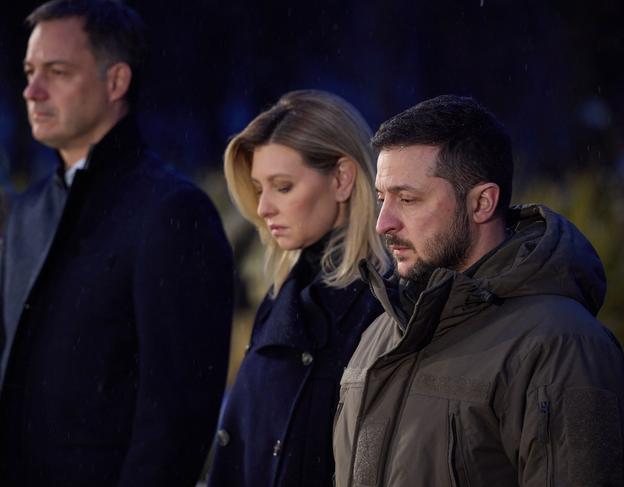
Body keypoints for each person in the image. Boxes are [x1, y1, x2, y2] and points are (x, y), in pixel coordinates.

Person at [332, 95, 624, 486]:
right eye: (382, 199)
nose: (383, 223)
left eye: (407, 199)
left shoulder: (563, 345)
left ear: (482, 203)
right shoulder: (381, 335)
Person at [0, 1, 233, 486]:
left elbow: (176, 418)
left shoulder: (172, 212)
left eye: (56, 72)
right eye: (29, 71)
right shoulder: (28, 212)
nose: (32, 91)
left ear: (116, 82)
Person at [208, 90, 391, 487]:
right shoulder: (281, 294)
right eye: (259, 188)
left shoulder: (384, 306)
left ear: (342, 178)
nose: (263, 208)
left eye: (283, 186)